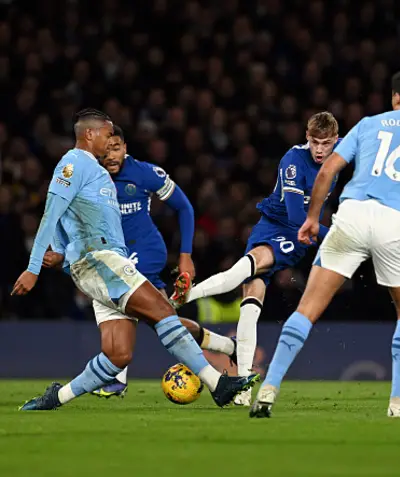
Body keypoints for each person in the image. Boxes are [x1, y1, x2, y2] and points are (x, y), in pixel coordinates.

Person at [12, 109, 259, 411]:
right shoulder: (73, 163)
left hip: (99, 265)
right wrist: (33, 267)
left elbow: (70, 219)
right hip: (101, 260)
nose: (110, 142)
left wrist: (64, 254)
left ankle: (55, 398)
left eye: (116, 141)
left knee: (118, 355)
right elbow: (51, 214)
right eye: (106, 134)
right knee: (162, 311)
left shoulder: (100, 170)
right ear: (90, 134)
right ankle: (218, 385)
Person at [249, 68, 400, 419]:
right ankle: (398, 402)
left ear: (395, 98)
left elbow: (327, 171)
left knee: (307, 309)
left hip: (352, 215)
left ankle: (270, 388)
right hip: (396, 223)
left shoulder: (370, 124)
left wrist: (312, 217)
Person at [171, 112, 340, 406]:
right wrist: (339, 233)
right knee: (250, 301)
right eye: (315, 142)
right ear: (306, 138)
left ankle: (182, 297)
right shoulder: (292, 161)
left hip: (298, 237)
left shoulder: (338, 161)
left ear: (335, 141)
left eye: (326, 143)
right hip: (280, 225)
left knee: (246, 282)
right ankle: (243, 386)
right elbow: (298, 216)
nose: (320, 149)